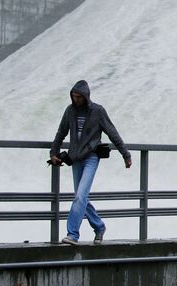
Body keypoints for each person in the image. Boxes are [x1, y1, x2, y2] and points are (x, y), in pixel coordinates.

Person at [49, 80, 131, 245]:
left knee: (80, 196)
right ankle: (99, 227)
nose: (76, 99)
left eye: (79, 96)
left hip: (91, 157)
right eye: (74, 96)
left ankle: (72, 235)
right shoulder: (70, 111)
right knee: (81, 198)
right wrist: (53, 153)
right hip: (75, 158)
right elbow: (61, 133)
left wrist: (125, 154)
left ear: (86, 96)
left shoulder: (97, 111)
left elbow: (112, 132)